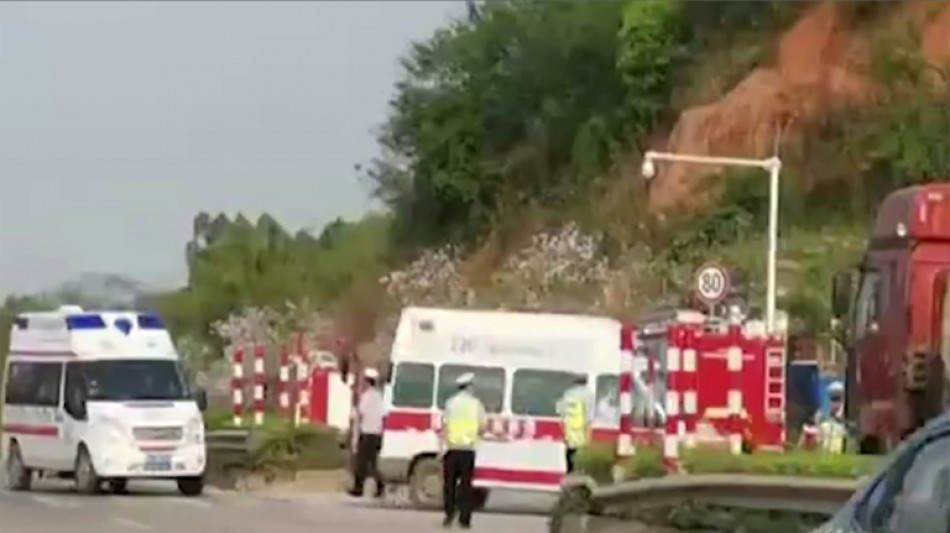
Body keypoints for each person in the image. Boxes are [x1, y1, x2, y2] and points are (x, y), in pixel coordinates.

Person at [441, 372, 486, 529]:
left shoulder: (450, 403)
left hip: (452, 449)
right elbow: (482, 427)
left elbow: (445, 426)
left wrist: (443, 446)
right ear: (469, 387)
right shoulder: (476, 404)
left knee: (449, 485)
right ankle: (464, 519)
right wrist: (475, 438)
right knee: (466, 486)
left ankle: (449, 516)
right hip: (468, 450)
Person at [348, 368, 385, 498]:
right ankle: (380, 486)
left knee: (361, 462)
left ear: (368, 382)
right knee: (372, 462)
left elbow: (361, 414)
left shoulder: (366, 396)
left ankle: (358, 488)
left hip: (366, 432)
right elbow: (383, 415)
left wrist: (355, 429)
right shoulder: (380, 397)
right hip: (377, 433)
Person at [556, 375, 591, 474]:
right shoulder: (589, 394)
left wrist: (563, 426)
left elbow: (560, 411)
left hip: (570, 427)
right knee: (581, 452)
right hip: (582, 427)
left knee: (570, 451)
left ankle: (570, 472)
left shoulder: (568, 394)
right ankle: (579, 473)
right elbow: (589, 414)